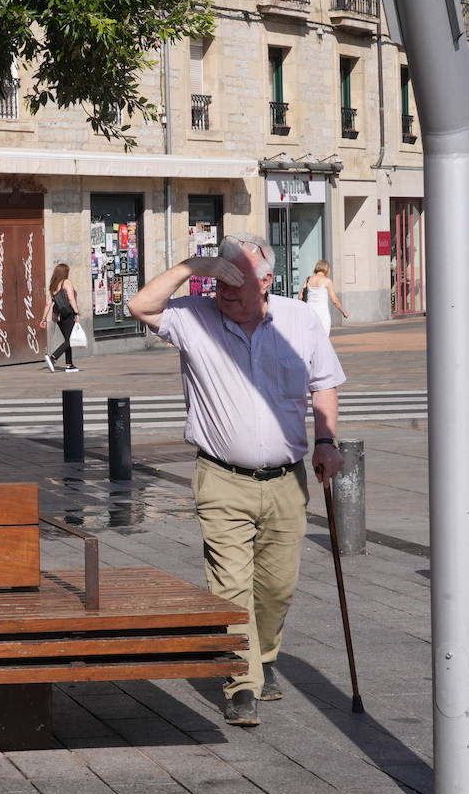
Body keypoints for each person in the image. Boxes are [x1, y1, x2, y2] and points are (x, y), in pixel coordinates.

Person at [127, 232, 345, 728]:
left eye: (236, 281)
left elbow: (324, 384)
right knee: (230, 587)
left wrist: (327, 442)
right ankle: (240, 682)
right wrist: (190, 265)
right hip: (222, 479)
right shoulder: (193, 317)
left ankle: (263, 657)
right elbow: (142, 305)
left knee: (277, 587)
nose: (224, 290)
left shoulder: (299, 321)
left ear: (266, 281)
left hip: (287, 481)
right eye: (219, 279)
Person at [39, 262, 80, 373]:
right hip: (68, 314)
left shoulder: (53, 286)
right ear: (65, 273)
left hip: (59, 316)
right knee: (70, 340)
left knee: (68, 339)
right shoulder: (66, 282)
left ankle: (69, 364)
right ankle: (53, 358)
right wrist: (76, 313)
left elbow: (48, 303)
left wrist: (43, 319)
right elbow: (71, 299)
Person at [301, 260, 349, 335]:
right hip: (322, 313)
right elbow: (335, 300)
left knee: (311, 336)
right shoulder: (327, 281)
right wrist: (344, 312)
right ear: (326, 269)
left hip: (309, 311)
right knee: (323, 338)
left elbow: (300, 296)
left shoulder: (308, 279)